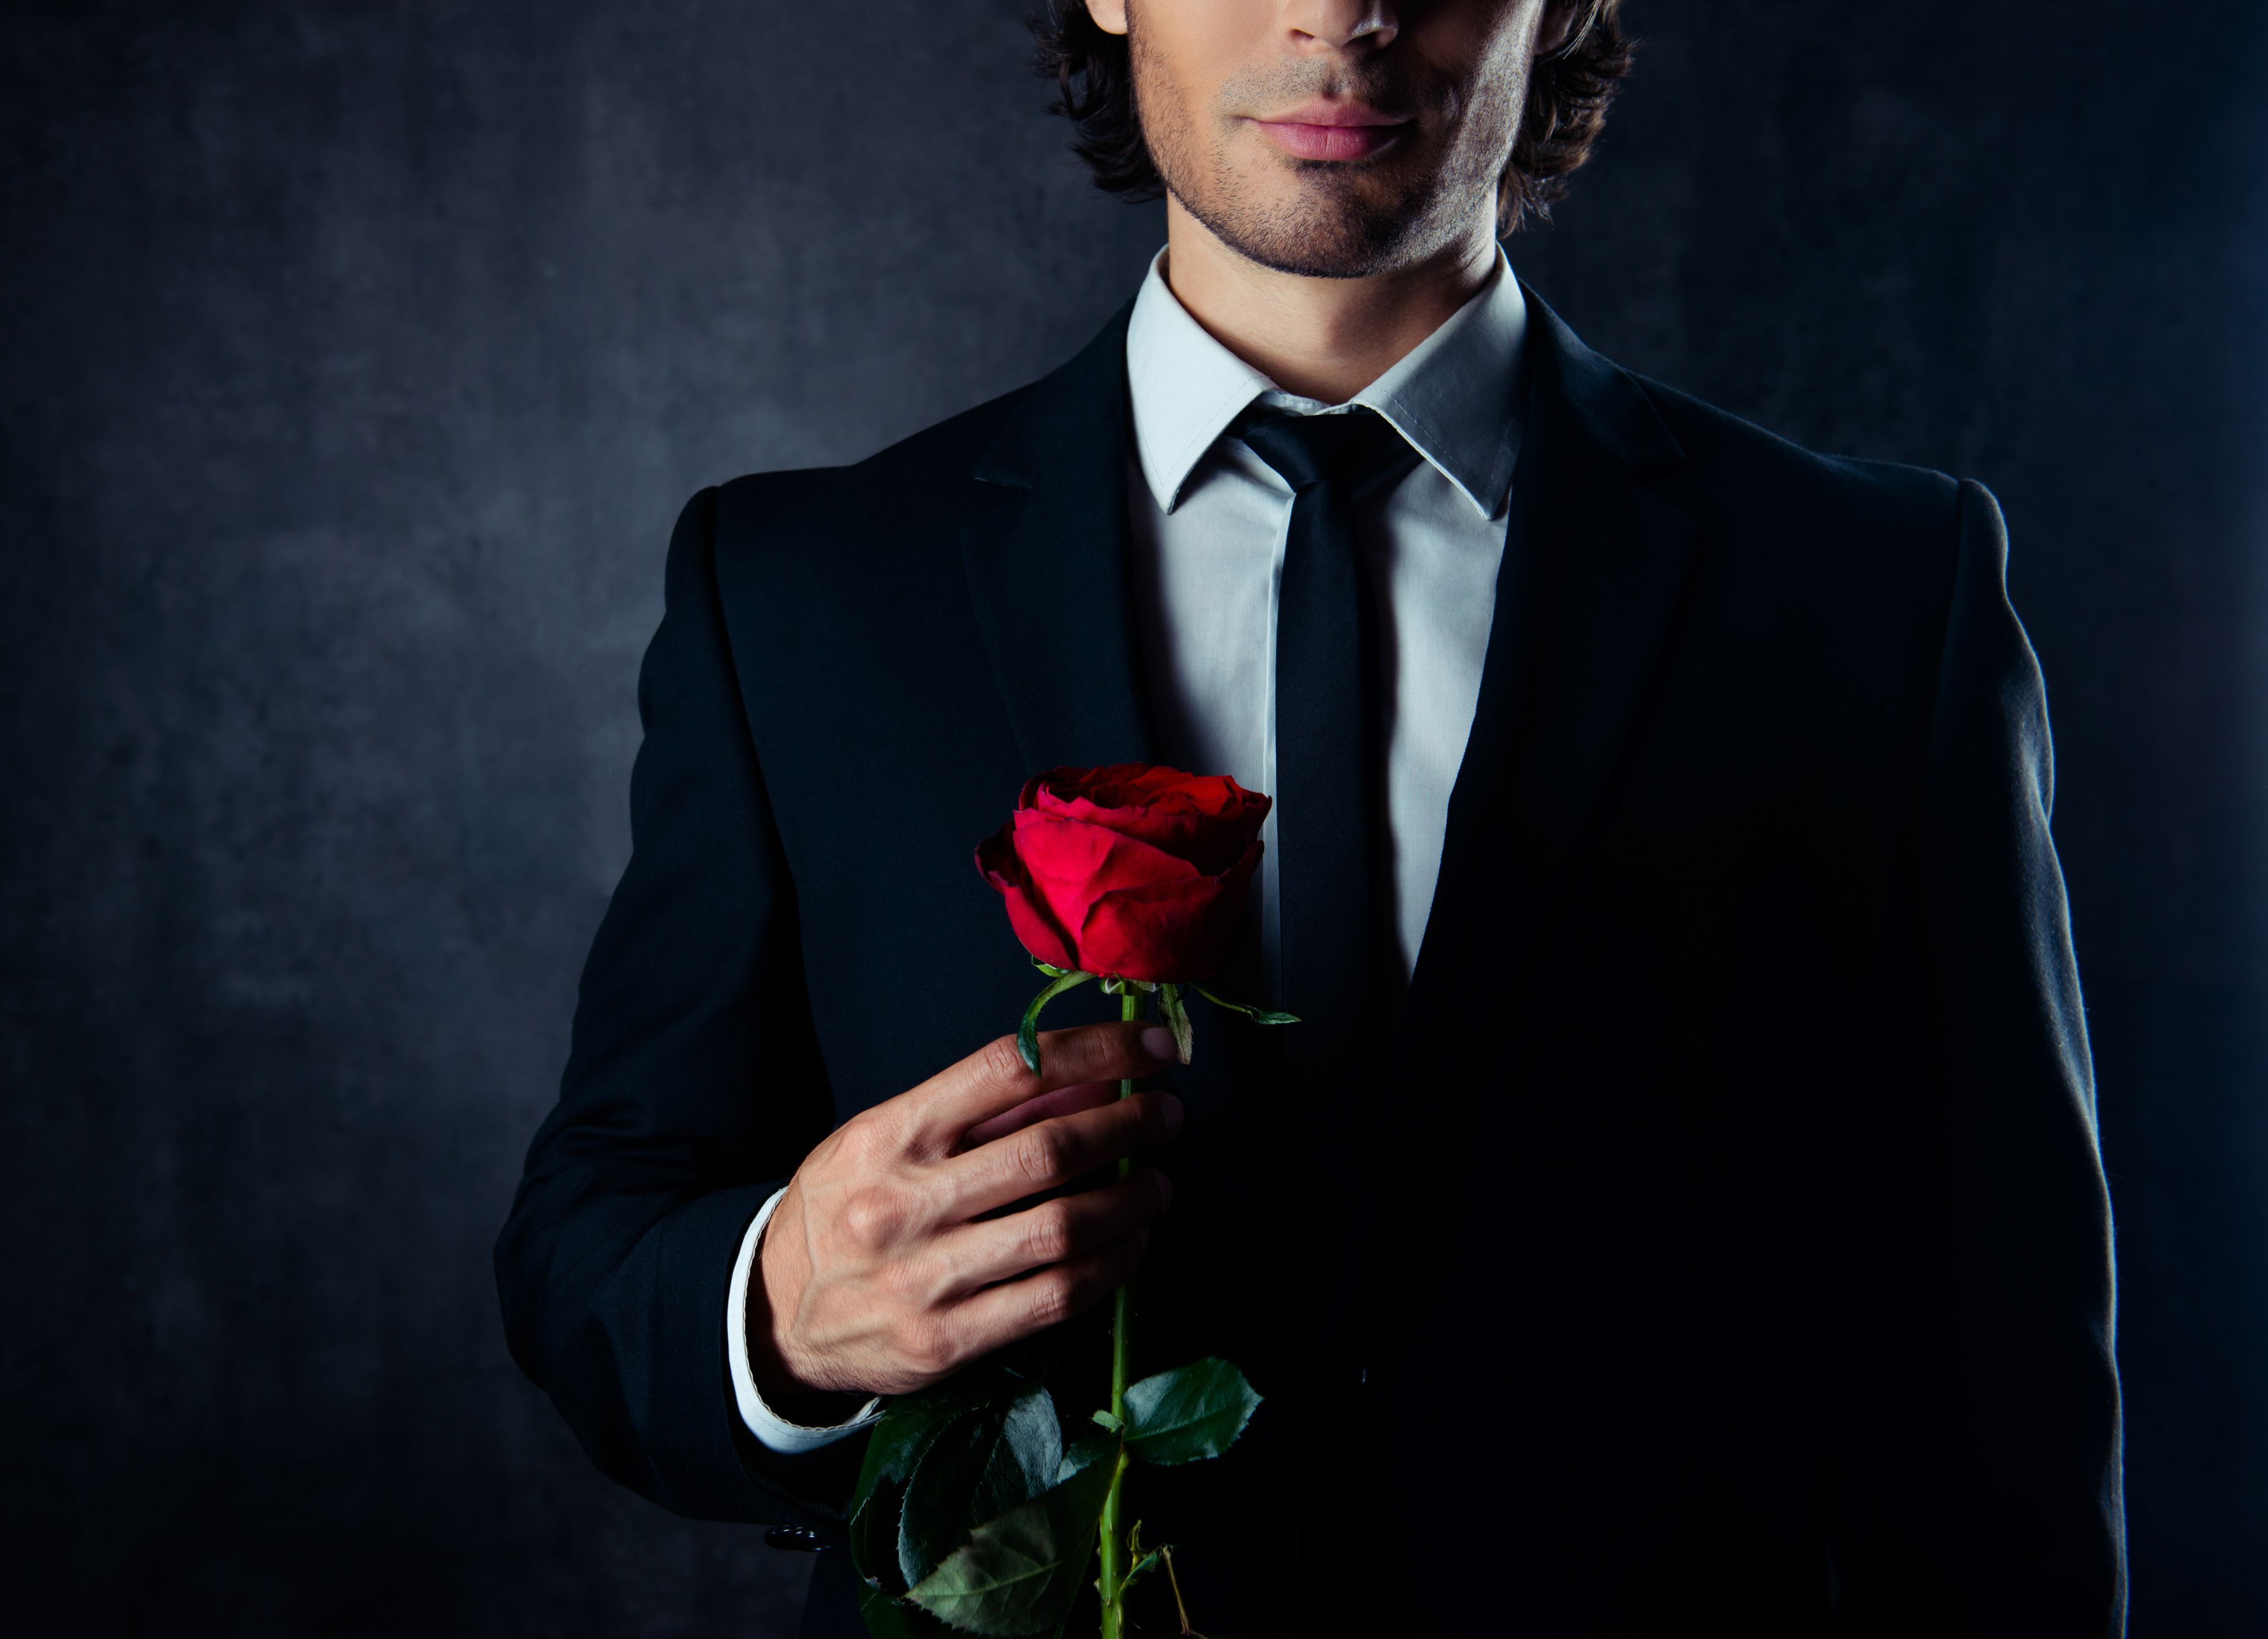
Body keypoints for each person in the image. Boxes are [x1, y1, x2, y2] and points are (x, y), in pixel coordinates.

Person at [495, 1, 2127, 1633]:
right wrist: (779, 1313)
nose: (1341, 7)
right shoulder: (796, 599)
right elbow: (593, 1251)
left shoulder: (1877, 601)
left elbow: (2003, 1401)